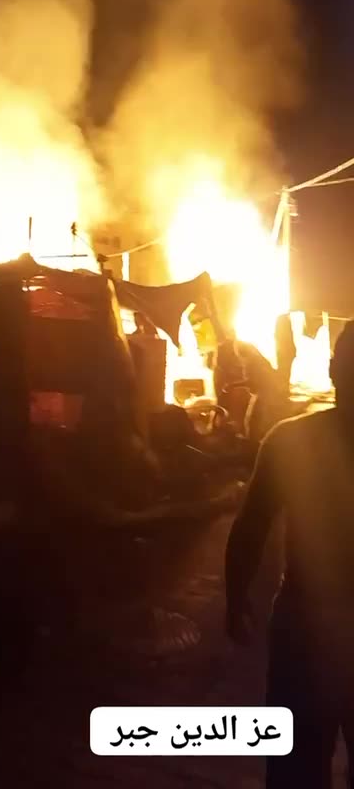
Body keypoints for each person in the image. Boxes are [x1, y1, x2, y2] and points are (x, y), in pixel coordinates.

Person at [225, 319, 354, 788]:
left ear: (335, 370)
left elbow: (249, 526)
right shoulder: (287, 438)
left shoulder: (290, 438)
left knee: (297, 764)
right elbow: (249, 526)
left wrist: (235, 600)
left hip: (305, 624)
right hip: (305, 623)